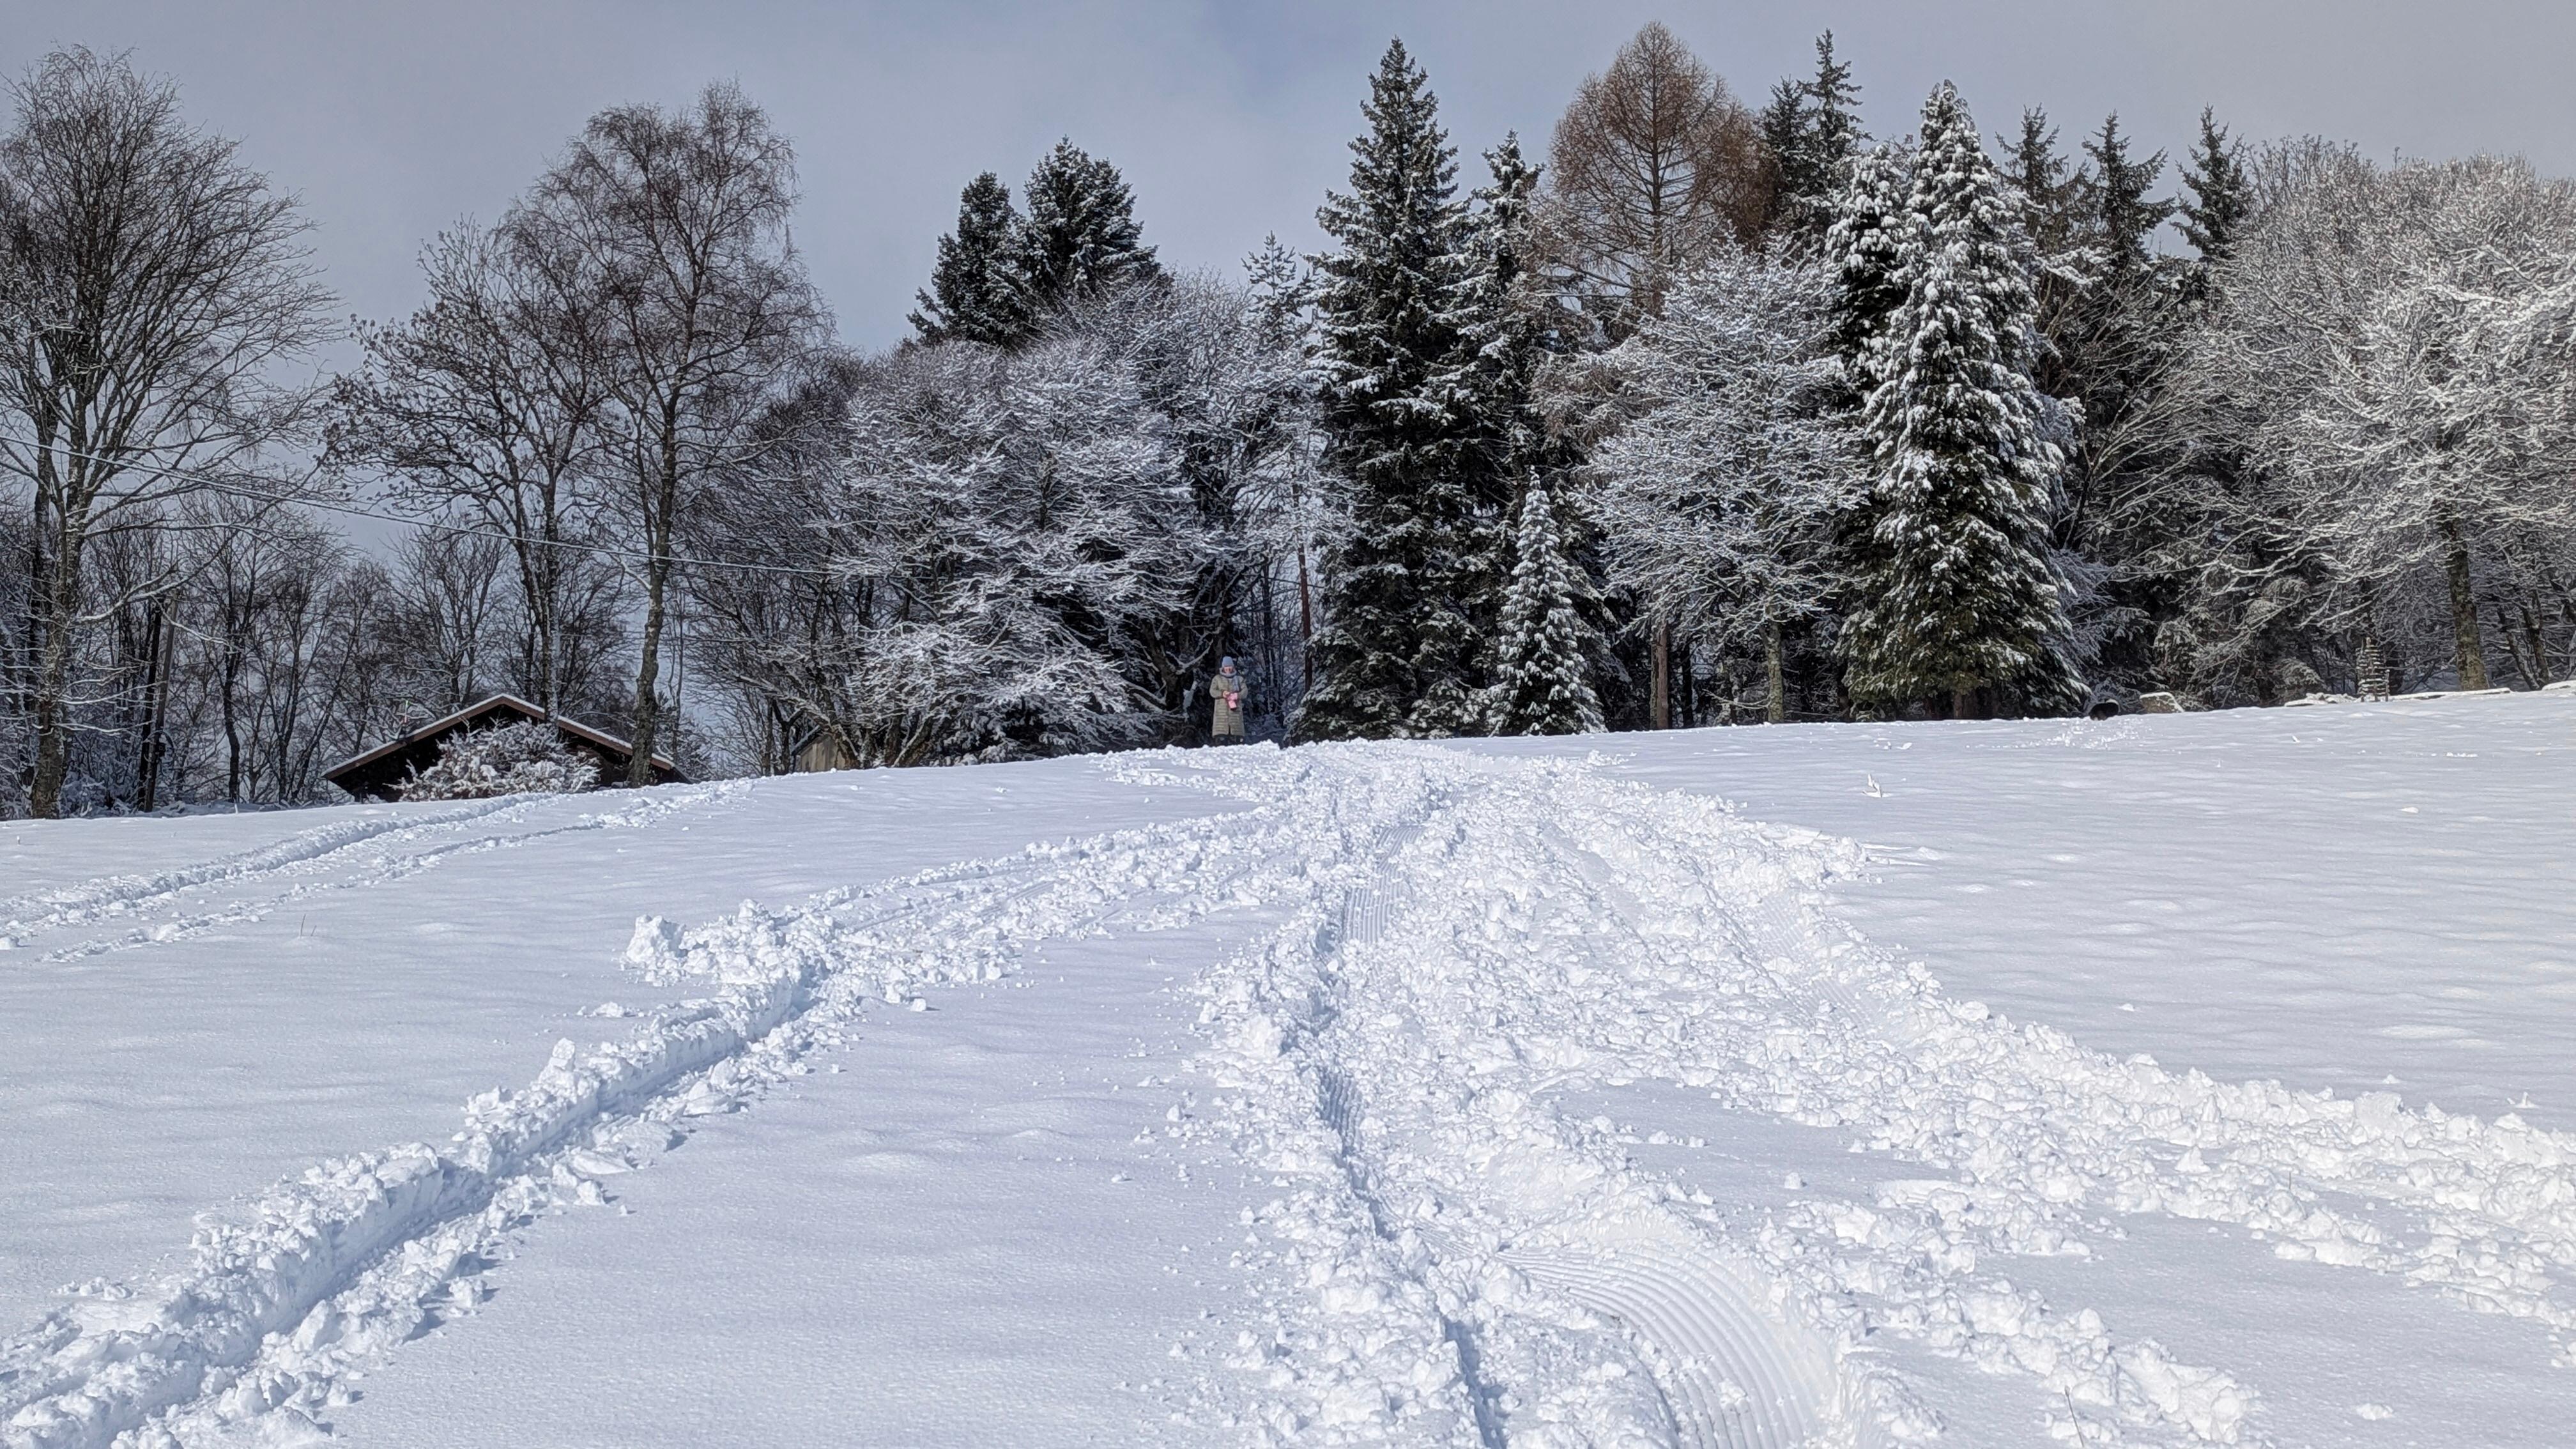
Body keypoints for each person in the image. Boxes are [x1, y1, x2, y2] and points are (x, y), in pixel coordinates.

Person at [1208, 656, 1246, 743]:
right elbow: (1212, 691)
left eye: (1229, 666)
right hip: (1221, 717)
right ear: (1223, 667)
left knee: (1237, 745)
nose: (1228, 669)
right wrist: (1222, 694)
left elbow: (1245, 692)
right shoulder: (1217, 679)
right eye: (1226, 667)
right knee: (1221, 744)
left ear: (1233, 667)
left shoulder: (1239, 679)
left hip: (1236, 715)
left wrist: (1237, 695)